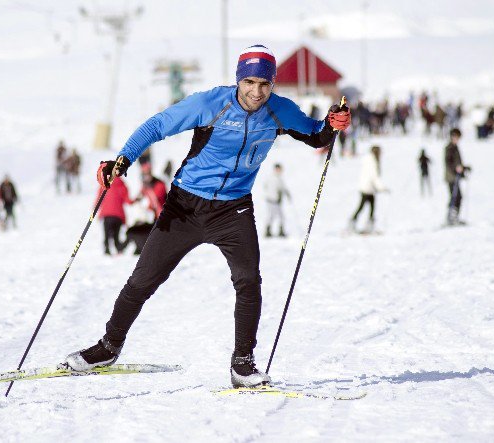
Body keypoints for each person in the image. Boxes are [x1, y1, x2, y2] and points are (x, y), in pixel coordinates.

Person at [64, 44, 351, 388]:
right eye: (250, 82)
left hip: (234, 209)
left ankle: (242, 365)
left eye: (265, 84)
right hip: (186, 206)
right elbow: (156, 126)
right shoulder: (209, 104)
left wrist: (332, 122)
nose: (257, 92)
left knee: (248, 282)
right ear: (239, 80)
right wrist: (121, 160)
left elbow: (316, 134)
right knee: (143, 281)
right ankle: (108, 347)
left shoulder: (280, 111)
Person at [349, 145, 387, 233]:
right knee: (365, 206)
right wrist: (382, 188)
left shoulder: (369, 160)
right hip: (367, 187)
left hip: (367, 187)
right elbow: (374, 176)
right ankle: (357, 222)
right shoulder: (372, 162)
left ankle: (362, 222)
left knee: (368, 206)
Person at [97, 176, 133, 255]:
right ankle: (118, 248)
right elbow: (128, 201)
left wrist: (95, 208)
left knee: (106, 234)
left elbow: (99, 199)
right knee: (116, 235)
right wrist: (135, 201)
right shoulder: (122, 185)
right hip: (118, 216)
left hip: (107, 215)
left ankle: (107, 249)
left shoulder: (104, 185)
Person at [444, 128, 468, 225]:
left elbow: (458, 163)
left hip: (456, 176)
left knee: (458, 196)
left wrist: (464, 168)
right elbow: (448, 162)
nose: (457, 139)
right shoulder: (449, 148)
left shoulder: (455, 147)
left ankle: (455, 217)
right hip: (451, 177)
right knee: (455, 196)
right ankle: (451, 217)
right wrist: (456, 168)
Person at [263, 163, 291, 237]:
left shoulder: (278, 177)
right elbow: (270, 189)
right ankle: (269, 231)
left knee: (277, 216)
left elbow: (282, 187)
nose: (280, 170)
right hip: (272, 200)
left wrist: (287, 193)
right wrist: (276, 197)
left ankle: (278, 231)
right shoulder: (272, 178)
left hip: (276, 200)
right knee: (273, 216)